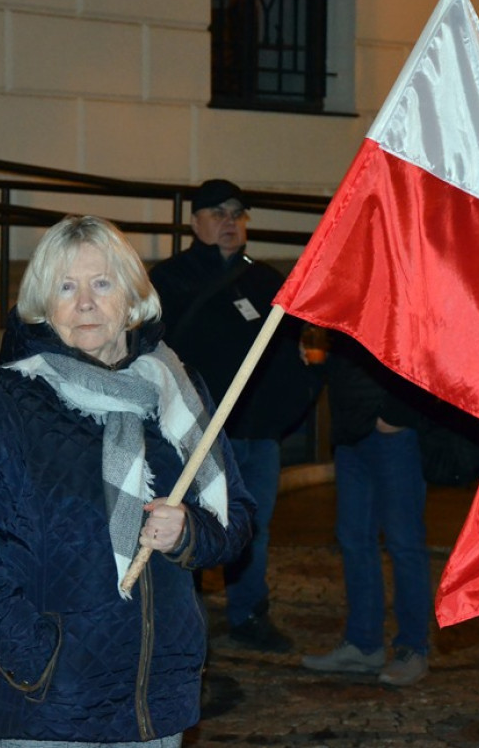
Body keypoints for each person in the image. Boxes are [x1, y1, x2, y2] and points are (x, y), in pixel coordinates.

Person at [0, 215, 255, 745]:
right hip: (50, 708)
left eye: (102, 283)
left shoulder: (179, 392)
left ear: (132, 297)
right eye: (65, 287)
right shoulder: (9, 401)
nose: (85, 303)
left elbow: (234, 519)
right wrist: (38, 657)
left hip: (156, 703)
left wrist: (188, 531)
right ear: (43, 306)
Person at [149, 179, 317, 653]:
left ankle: (249, 612)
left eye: (237, 213)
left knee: (253, 528)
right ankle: (187, 622)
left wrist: (293, 402)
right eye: (218, 213)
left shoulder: (263, 280)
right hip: (196, 433)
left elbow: (291, 347)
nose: (230, 222)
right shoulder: (169, 281)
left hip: (257, 431)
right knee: (192, 524)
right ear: (195, 221)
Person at [300, 332, 432, 687]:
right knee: (355, 539)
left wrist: (395, 414)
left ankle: (412, 648)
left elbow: (423, 350)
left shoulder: (396, 286)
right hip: (350, 431)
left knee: (404, 543)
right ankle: (363, 643)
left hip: (389, 433)